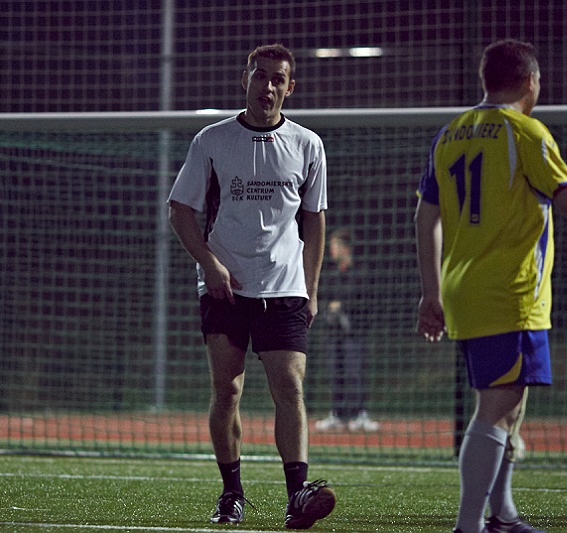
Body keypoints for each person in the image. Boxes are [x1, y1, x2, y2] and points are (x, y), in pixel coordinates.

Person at [414, 39, 567, 533]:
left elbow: (425, 216)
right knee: (497, 407)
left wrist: (432, 292)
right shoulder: (526, 132)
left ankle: (502, 515)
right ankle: (468, 525)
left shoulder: (450, 134)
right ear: (530, 81)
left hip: (464, 289)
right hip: (509, 293)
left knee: (511, 406)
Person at [167, 43, 336, 529]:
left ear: (290, 87)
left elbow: (315, 221)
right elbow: (180, 210)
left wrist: (312, 288)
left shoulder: (308, 144)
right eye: (260, 76)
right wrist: (210, 264)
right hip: (226, 287)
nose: (268, 86)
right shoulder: (212, 140)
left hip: (285, 286)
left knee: (290, 387)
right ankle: (231, 494)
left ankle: (297, 495)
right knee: (228, 390)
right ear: (246, 79)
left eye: (277, 78)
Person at [315, 227, 380, 432]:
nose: (332, 250)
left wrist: (343, 307)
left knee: (355, 372)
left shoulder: (361, 274)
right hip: (335, 334)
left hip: (355, 333)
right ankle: (337, 414)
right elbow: (323, 299)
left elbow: (366, 303)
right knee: (336, 373)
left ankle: (359, 414)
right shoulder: (332, 275)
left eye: (335, 246)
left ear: (346, 248)